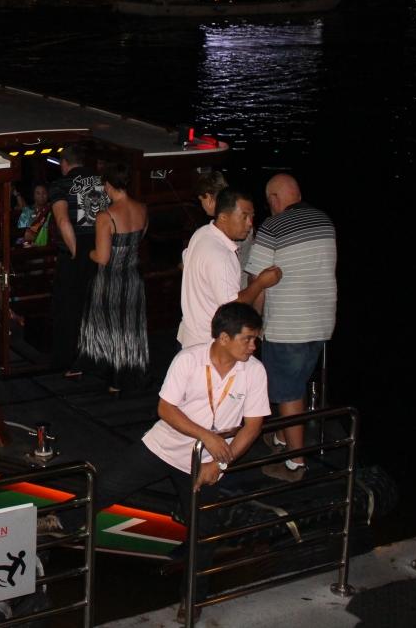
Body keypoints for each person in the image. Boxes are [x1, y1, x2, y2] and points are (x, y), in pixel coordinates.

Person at [89, 302, 269, 614]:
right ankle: (58, 521)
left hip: (204, 463)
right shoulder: (188, 360)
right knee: (105, 487)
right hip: (163, 447)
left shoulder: (254, 371)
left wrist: (219, 465)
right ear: (224, 338)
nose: (254, 346)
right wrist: (207, 436)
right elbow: (165, 409)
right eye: (248, 339)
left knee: (203, 531)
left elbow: (253, 426)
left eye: (255, 339)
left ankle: (192, 598)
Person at [244, 174, 337, 482]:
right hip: (321, 323)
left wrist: (253, 325)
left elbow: (258, 282)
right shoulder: (325, 221)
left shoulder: (273, 227)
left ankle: (295, 463)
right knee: (296, 381)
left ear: (274, 199)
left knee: (288, 392)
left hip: (288, 326)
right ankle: (283, 438)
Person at [178, 188, 281, 348]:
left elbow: (185, 262)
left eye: (252, 216)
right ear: (223, 217)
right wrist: (261, 283)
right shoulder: (222, 255)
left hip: (191, 336)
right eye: (244, 216)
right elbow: (231, 308)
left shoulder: (201, 233)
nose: (250, 223)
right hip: (210, 345)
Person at [76, 163, 148, 393]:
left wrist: (87, 252)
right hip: (133, 279)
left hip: (111, 280)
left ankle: (112, 378)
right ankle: (128, 376)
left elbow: (103, 257)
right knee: (130, 329)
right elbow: (138, 241)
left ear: (107, 185)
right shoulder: (142, 209)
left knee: (109, 328)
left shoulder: (106, 216)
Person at [48, 142, 108, 372]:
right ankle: (94, 358)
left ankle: (66, 362)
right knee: (94, 306)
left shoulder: (61, 184)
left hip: (76, 251)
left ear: (64, 163)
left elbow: (63, 221)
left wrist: (74, 252)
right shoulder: (101, 182)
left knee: (67, 309)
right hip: (101, 247)